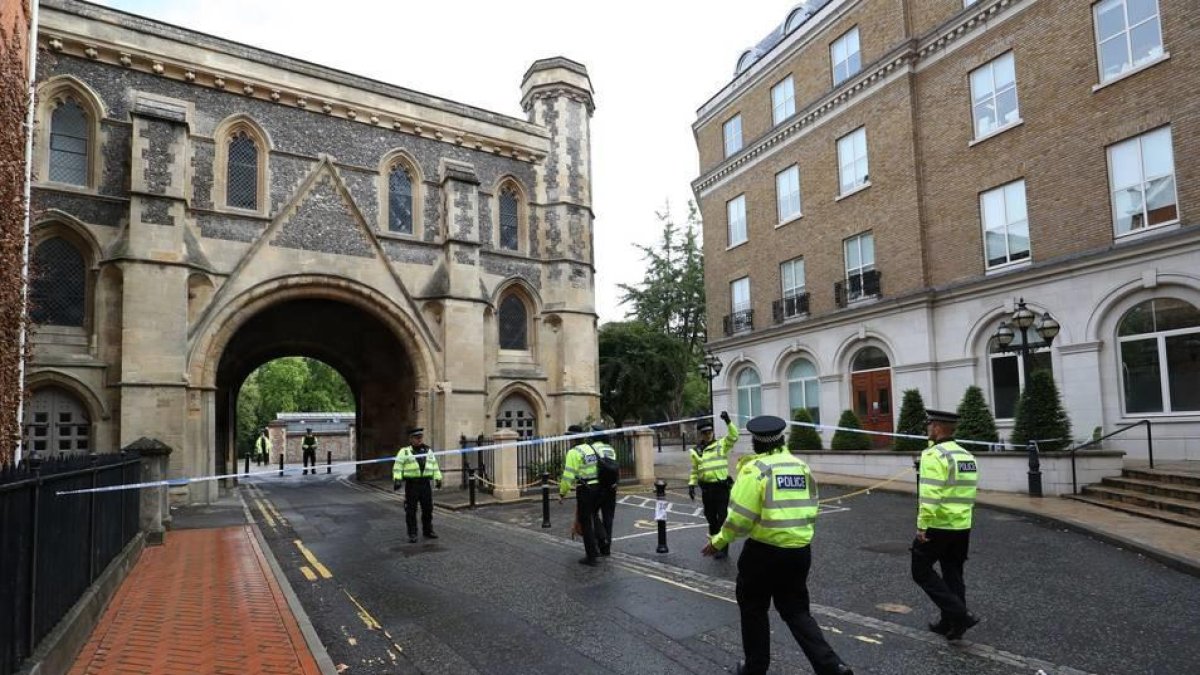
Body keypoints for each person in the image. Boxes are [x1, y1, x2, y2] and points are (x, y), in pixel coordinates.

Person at [702, 415, 853, 675]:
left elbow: (739, 517)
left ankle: (755, 668)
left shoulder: (755, 470)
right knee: (796, 611)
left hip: (763, 552)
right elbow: (812, 508)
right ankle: (833, 667)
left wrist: (719, 541)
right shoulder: (800, 467)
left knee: (754, 609)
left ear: (756, 443)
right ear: (781, 439)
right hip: (799, 551)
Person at [912, 409, 980, 641]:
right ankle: (951, 624)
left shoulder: (933, 456)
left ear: (938, 428)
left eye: (929, 425)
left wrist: (922, 526)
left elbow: (930, 495)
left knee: (920, 570)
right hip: (962, 525)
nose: (927, 429)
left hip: (939, 524)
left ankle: (960, 615)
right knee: (953, 573)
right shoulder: (966, 456)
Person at [688, 410, 739, 559]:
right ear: (700, 434)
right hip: (707, 489)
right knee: (711, 518)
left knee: (722, 518)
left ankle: (722, 548)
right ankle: (714, 544)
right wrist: (691, 484)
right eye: (705, 432)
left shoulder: (721, 445)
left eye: (710, 431)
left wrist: (728, 422)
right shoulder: (695, 451)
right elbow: (695, 470)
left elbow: (734, 436)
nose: (708, 434)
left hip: (721, 488)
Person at [559, 424, 604, 566]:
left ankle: (591, 556)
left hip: (585, 489)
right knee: (594, 516)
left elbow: (568, 476)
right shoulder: (590, 449)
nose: (569, 441)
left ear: (573, 438)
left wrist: (562, 492)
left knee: (585, 523)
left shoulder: (573, 452)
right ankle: (601, 543)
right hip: (598, 488)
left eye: (569, 438)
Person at [393, 427, 442, 543]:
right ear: (411, 439)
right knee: (411, 510)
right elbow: (398, 466)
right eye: (416, 437)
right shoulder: (404, 452)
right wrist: (397, 480)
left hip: (425, 484)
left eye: (420, 437)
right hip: (412, 485)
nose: (419, 439)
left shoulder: (428, 450)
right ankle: (413, 533)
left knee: (428, 509)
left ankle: (428, 530)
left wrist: (438, 478)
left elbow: (434, 465)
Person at [589, 425, 618, 556]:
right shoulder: (610, 448)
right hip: (612, 487)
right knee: (609, 518)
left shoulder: (593, 448)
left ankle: (601, 538)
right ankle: (606, 548)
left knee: (591, 513)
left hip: (598, 486)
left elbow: (591, 466)